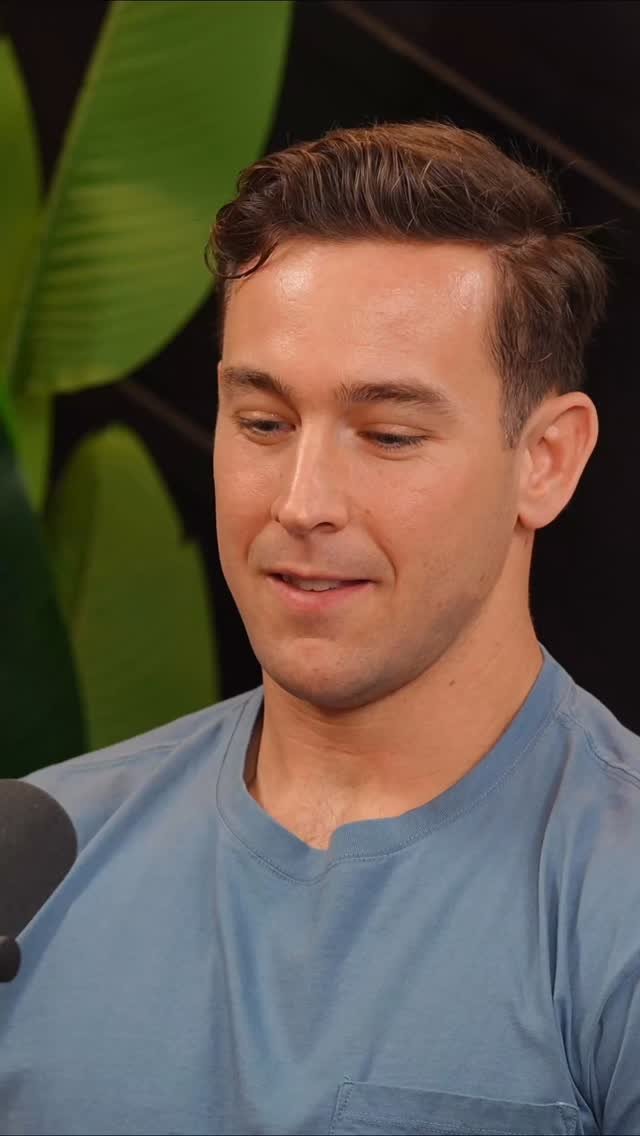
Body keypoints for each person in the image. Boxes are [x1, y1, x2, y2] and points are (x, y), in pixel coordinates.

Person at [2, 121, 639, 1136]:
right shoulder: (35, 861)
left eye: (388, 434)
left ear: (546, 460)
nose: (301, 503)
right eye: (262, 422)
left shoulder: (615, 898)